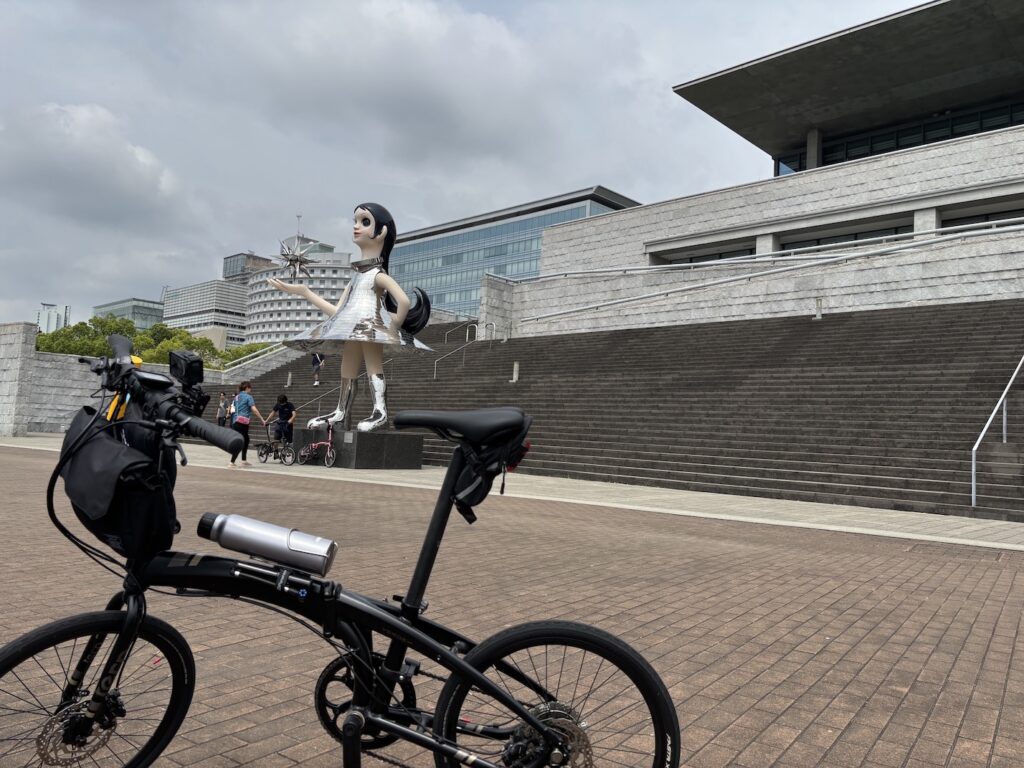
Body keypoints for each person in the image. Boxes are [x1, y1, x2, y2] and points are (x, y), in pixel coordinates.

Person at [270, 203, 430, 432]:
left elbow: (403, 301)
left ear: (381, 232)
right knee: (348, 368)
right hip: (353, 327)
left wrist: (390, 326)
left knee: (373, 366)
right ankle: (341, 412)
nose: (356, 226)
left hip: (372, 326)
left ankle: (380, 412)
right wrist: (305, 292)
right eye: (355, 221)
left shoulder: (377, 275)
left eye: (365, 222)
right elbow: (338, 313)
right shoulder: (356, 278)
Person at [229, 381, 264, 468]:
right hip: (243, 422)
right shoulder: (248, 397)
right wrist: (262, 419)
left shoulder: (236, 397)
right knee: (241, 441)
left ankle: (243, 460)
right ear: (247, 388)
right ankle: (232, 462)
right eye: (250, 388)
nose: (251, 389)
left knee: (246, 440)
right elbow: (254, 409)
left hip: (236, 421)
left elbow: (232, 409)